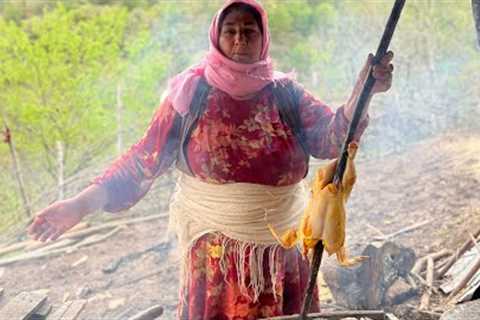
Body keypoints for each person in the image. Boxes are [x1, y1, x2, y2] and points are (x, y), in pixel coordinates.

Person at [28, 0, 394, 318]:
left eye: (249, 31)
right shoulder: (191, 94)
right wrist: (79, 205)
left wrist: (363, 92)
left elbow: (331, 138)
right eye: (230, 31)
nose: (239, 39)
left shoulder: (286, 93)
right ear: (216, 38)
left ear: (263, 38)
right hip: (216, 259)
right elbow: (143, 160)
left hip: (282, 254)